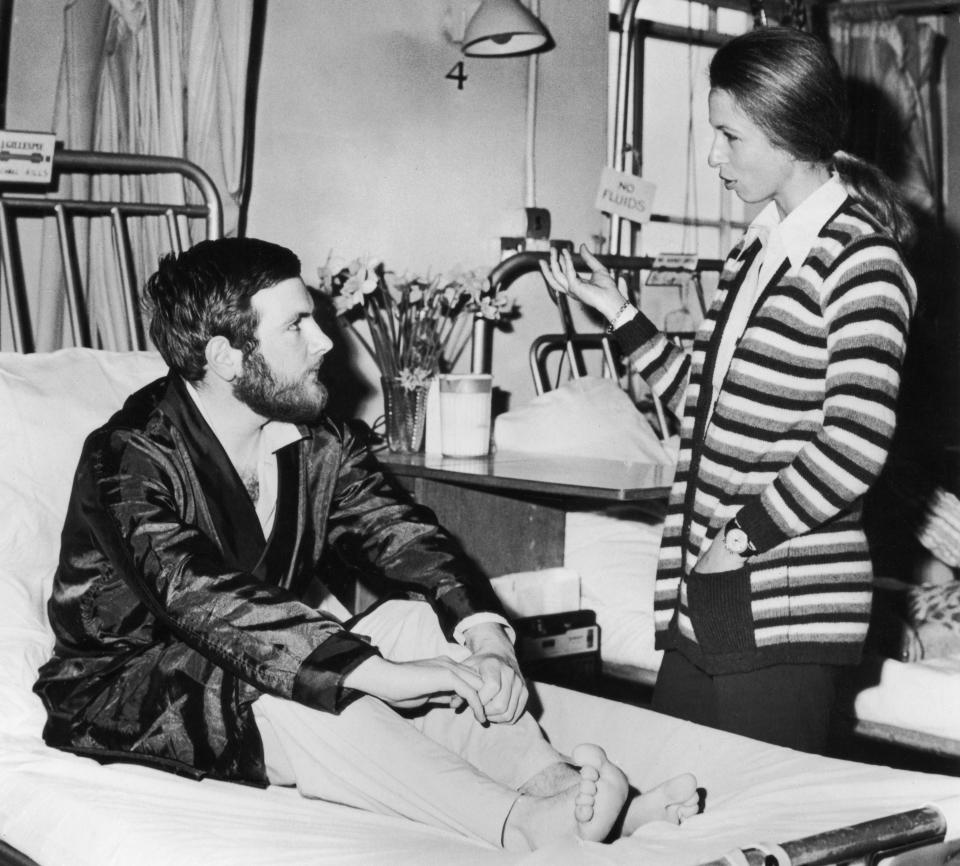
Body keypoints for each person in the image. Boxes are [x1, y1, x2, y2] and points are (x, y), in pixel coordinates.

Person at [33, 236, 699, 852]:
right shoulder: (128, 460)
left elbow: (402, 535)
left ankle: (560, 791)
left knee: (410, 623)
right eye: (296, 324)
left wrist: (484, 634)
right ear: (225, 357)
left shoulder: (316, 439)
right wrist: (381, 676)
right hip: (136, 691)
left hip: (270, 652)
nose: (326, 340)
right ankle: (517, 828)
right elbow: (199, 595)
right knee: (306, 684)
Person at [540, 26, 917, 754]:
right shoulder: (759, 248)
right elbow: (703, 407)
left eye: (729, 135)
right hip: (713, 592)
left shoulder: (860, 261)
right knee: (672, 802)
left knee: (758, 829)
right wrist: (617, 312)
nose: (714, 155)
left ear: (787, 132)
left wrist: (739, 542)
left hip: (784, 598)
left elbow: (855, 444)